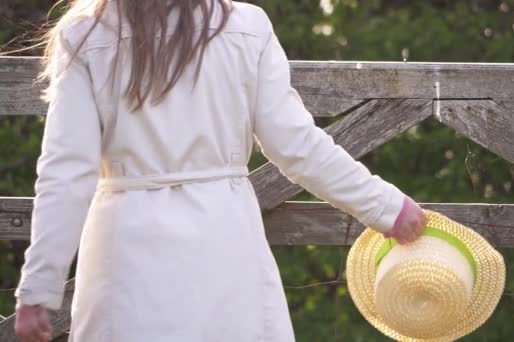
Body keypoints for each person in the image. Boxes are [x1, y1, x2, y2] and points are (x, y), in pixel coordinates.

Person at [13, 0, 427, 341]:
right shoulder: (245, 26)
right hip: (225, 241)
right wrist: (387, 207)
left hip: (125, 249)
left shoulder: (85, 35)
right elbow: (297, 146)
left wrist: (38, 290)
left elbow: (66, 173)